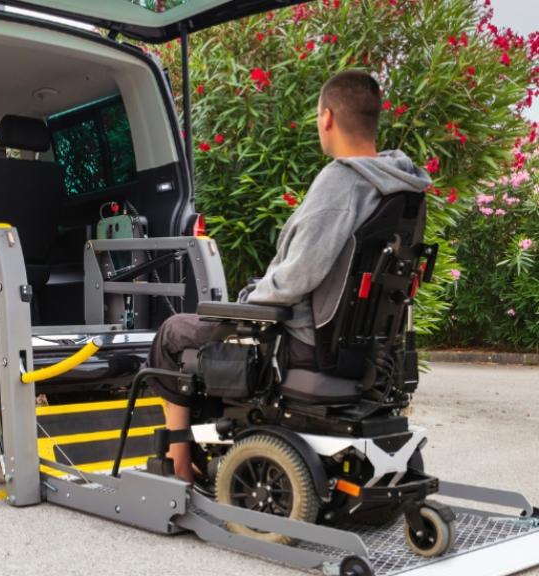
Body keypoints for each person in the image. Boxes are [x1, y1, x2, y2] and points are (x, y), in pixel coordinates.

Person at [147, 70, 432, 482]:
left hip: (303, 342)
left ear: (327, 117)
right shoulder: (401, 188)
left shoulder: (342, 182)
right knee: (204, 331)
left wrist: (244, 306)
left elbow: (296, 277)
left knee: (174, 334)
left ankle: (178, 467)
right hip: (362, 350)